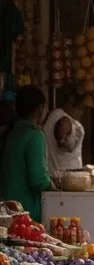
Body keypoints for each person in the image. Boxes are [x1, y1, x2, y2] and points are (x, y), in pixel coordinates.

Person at [0, 86, 50, 221]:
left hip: (6, 209)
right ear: (41, 108)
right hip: (25, 212)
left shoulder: (11, 133)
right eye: (46, 107)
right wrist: (52, 185)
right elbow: (38, 180)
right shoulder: (35, 136)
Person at [42, 90, 83, 179]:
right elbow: (67, 145)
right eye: (80, 107)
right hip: (67, 179)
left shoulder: (52, 116)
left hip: (51, 175)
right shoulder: (66, 121)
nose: (81, 112)